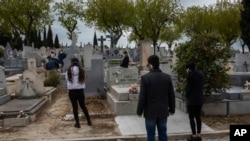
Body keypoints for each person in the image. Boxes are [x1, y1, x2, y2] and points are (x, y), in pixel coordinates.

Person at [137, 55, 175, 141]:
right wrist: (172, 109)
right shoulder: (167, 77)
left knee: (150, 134)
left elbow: (142, 97)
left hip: (150, 112)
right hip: (163, 111)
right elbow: (171, 95)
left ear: (150, 65)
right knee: (163, 133)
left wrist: (139, 111)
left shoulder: (145, 78)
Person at [65, 58, 92, 128]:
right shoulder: (82, 71)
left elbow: (67, 79)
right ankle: (89, 121)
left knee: (75, 107)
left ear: (71, 63)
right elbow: (84, 79)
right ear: (78, 62)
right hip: (80, 91)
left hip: (72, 92)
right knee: (83, 106)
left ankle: (77, 124)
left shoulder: (68, 71)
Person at [185, 62, 204, 141]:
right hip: (199, 99)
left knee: (191, 117)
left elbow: (189, 88)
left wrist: (186, 95)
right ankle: (199, 134)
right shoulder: (200, 74)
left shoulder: (190, 75)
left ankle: (194, 135)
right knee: (198, 117)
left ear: (189, 68)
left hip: (192, 100)